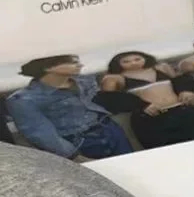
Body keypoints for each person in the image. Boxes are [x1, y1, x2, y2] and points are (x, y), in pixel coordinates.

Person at [5, 55, 133, 160]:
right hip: (79, 142)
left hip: (109, 130)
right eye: (72, 62)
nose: (80, 65)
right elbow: (41, 132)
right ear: (48, 67)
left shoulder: (85, 82)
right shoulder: (24, 99)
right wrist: (74, 156)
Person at [101, 51, 194, 149]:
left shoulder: (162, 68)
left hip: (182, 110)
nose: (133, 63)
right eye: (126, 61)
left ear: (145, 58)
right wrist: (140, 105)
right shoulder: (115, 78)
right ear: (117, 64)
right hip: (152, 118)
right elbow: (109, 98)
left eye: (137, 59)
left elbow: (180, 80)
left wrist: (186, 90)